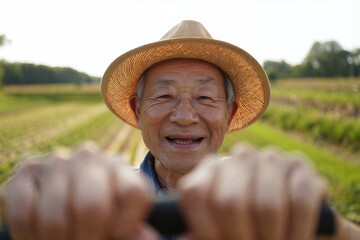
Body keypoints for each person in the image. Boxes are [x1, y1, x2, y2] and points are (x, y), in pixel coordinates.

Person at [1, 20, 359, 240]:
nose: (185, 115)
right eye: (164, 95)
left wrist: (333, 230)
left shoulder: (265, 202)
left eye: (205, 96)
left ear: (230, 113)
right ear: (137, 111)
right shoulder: (102, 205)